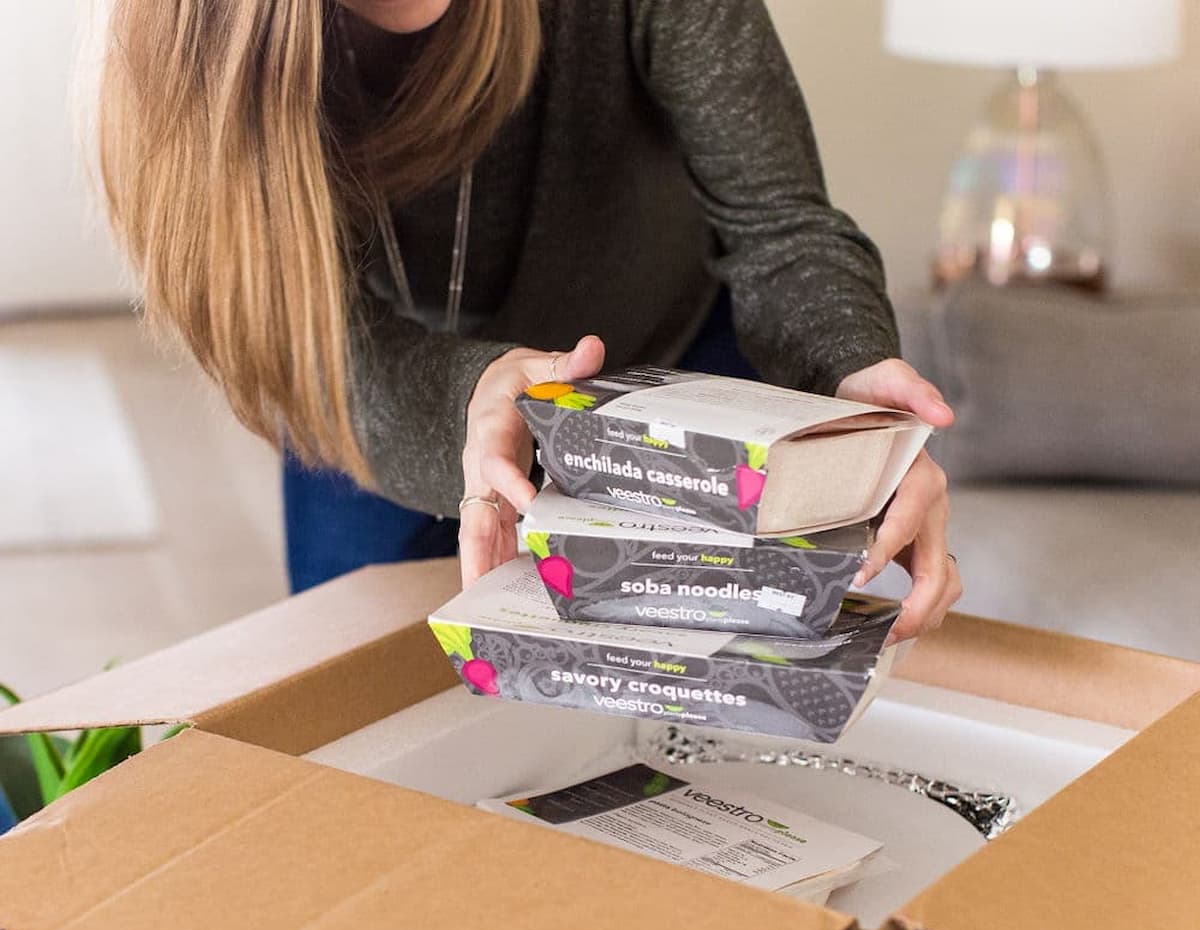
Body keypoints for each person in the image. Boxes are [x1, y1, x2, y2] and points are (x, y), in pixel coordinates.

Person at [97, 0, 960, 641]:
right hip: (379, 380)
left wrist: (852, 382)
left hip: (669, 354)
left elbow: (779, 225)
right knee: (373, 709)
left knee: (696, 694)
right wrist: (470, 398)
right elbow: (288, 334)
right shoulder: (179, 52)